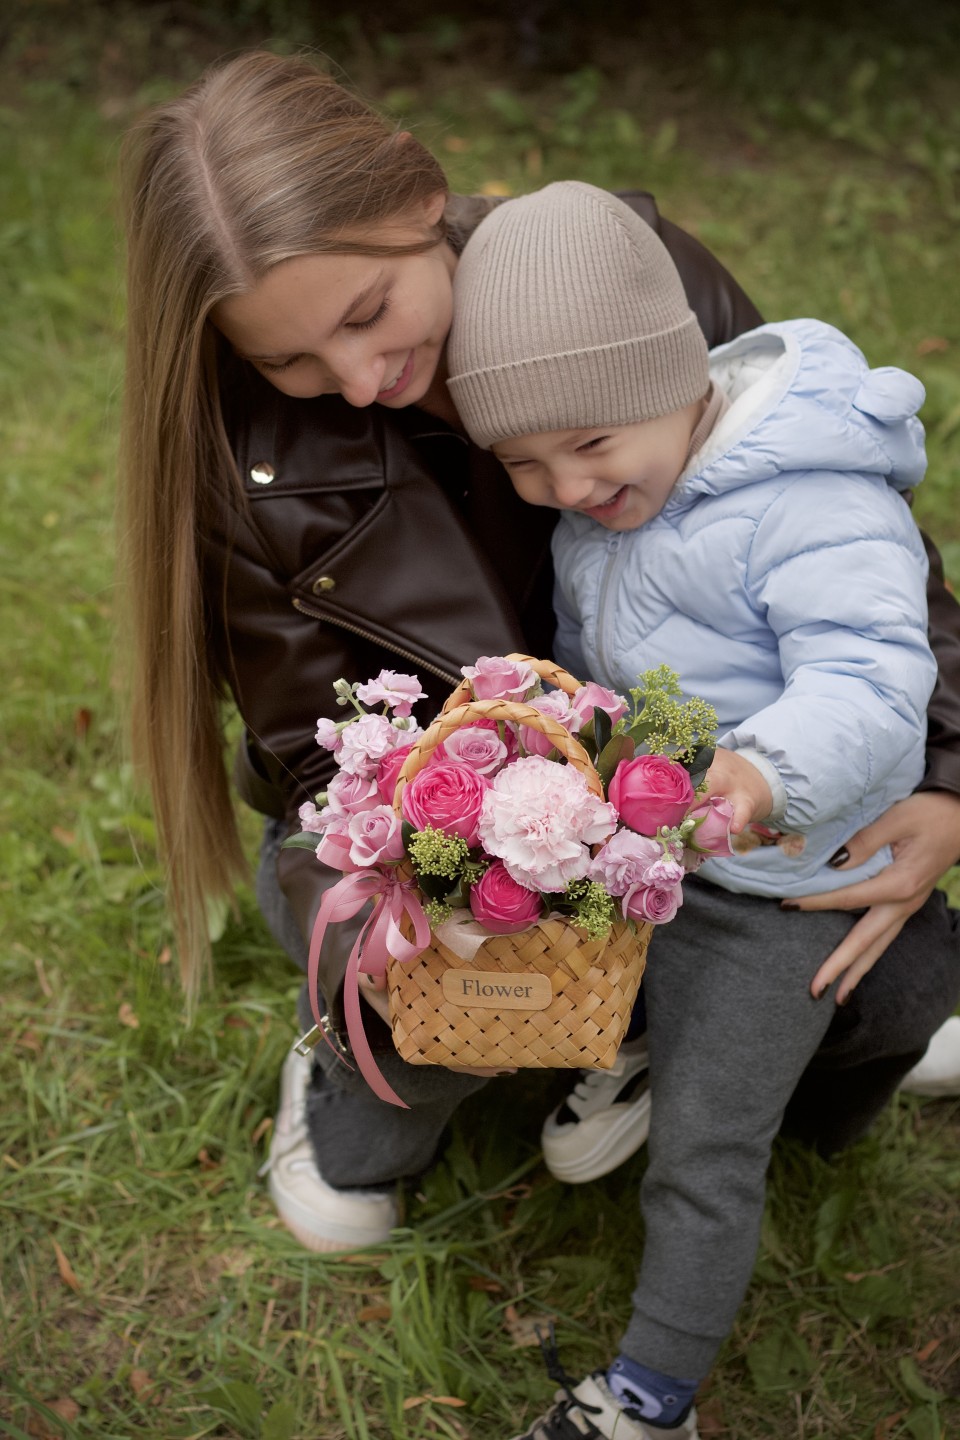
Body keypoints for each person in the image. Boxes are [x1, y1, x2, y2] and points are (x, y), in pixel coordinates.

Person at [117, 51, 960, 1432]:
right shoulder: (254, 458)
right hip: (430, 809)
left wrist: (948, 783)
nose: (357, 377)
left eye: (374, 311)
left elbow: (841, 542)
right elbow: (311, 756)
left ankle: (645, 1037)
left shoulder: (612, 273)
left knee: (857, 977)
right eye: (288, 356)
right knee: (436, 1031)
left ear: (421, 201)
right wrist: (431, 879)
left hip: (687, 792)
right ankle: (387, 1063)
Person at [443, 179, 960, 1440]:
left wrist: (766, 773)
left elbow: (876, 677)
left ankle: (650, 1396)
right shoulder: (616, 477)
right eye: (522, 464)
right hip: (653, 860)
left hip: (784, 889)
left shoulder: (816, 503)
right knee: (541, 980)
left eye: (589, 446)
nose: (565, 484)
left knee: (710, 1155)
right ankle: (624, 1047)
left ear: (677, 373)